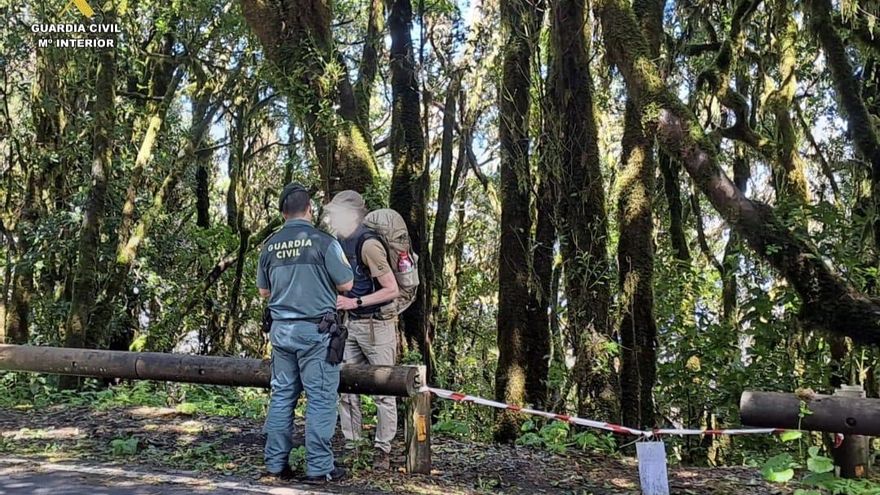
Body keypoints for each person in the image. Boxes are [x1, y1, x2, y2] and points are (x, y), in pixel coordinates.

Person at [258, 183, 352, 484]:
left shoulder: (269, 245)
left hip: (281, 332)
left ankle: (275, 465)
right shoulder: (323, 242)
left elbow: (264, 291)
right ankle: (319, 467)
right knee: (321, 398)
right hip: (316, 332)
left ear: (282, 212)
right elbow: (346, 285)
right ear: (309, 209)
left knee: (282, 396)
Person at [323, 190, 401, 471]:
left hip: (377, 326)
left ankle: (383, 450)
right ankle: (353, 446)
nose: (331, 217)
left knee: (384, 390)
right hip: (350, 325)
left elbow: (391, 289)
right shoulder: (339, 242)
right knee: (346, 388)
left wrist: (355, 301)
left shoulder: (369, 245)